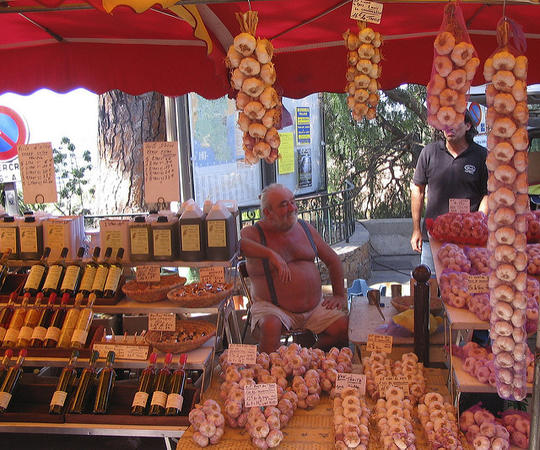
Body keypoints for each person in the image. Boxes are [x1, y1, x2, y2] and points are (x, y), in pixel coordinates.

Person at [240, 184, 349, 353]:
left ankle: (306, 357)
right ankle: (273, 365)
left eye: (293, 202)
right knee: (270, 327)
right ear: (268, 212)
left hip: (315, 306)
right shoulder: (254, 233)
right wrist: (271, 255)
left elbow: (333, 260)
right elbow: (240, 246)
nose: (292, 208)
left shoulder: (305, 228)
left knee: (343, 328)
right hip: (274, 309)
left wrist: (339, 295)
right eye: (284, 205)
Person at [410, 110, 488, 271]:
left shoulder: (481, 156)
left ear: (467, 126)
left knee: (463, 283)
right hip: (433, 239)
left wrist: (477, 224)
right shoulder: (429, 153)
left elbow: (487, 195)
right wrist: (416, 230)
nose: (448, 126)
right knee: (430, 283)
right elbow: (417, 190)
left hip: (467, 239)